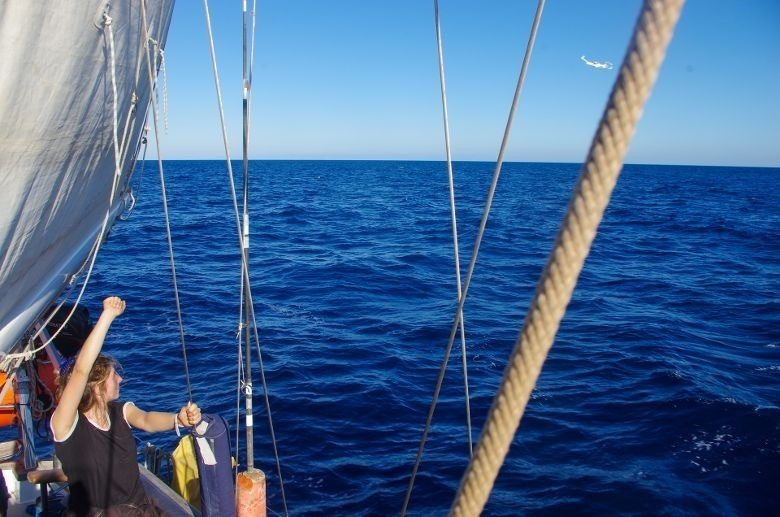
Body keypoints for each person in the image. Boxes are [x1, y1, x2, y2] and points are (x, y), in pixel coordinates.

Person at [50, 296, 201, 516]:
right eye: (113, 376)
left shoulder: (120, 411)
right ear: (96, 386)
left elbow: (146, 419)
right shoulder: (67, 425)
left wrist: (177, 419)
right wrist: (108, 316)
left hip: (139, 509)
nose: (120, 379)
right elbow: (82, 369)